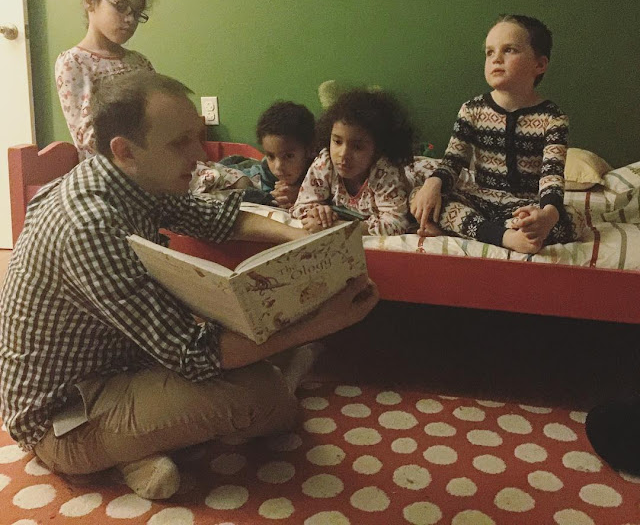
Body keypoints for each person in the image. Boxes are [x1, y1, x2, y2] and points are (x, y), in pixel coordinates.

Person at [0, 71, 379, 500]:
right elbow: (197, 354)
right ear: (125, 151)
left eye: (196, 137)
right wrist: (322, 322)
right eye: (179, 143)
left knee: (252, 348)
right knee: (265, 397)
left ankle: (137, 446)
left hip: (120, 361)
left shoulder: (127, 178)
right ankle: (119, 451)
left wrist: (298, 237)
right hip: (65, 416)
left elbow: (213, 217)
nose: (199, 155)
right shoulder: (90, 225)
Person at [410, 14, 584, 254]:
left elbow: (551, 176)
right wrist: (433, 184)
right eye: (489, 52)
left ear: (539, 65)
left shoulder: (553, 118)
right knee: (418, 196)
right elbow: (452, 161)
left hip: (524, 206)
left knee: (575, 219)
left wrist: (547, 215)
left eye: (509, 50)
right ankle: (505, 237)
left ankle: (486, 231)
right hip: (479, 200)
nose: (496, 58)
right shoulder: (472, 109)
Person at [55, 0, 154, 160]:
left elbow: (158, 112)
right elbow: (88, 138)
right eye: (121, 6)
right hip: (111, 166)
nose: (130, 19)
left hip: (149, 158)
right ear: (90, 3)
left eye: (136, 13)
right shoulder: (74, 62)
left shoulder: (139, 62)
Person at [291, 89, 413, 236]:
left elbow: (397, 224)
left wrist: (337, 227)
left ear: (378, 149)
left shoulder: (384, 171)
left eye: (357, 147)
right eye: (337, 141)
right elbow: (300, 206)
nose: (343, 154)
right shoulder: (325, 162)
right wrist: (317, 212)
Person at [191, 101, 316, 210]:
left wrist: (302, 193)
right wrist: (277, 196)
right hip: (246, 173)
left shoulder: (318, 169)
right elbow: (266, 196)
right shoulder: (267, 170)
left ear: (310, 150)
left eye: (288, 156)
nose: (278, 167)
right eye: (271, 156)